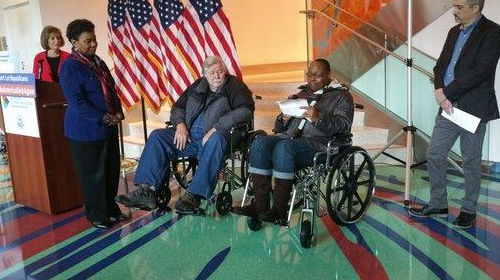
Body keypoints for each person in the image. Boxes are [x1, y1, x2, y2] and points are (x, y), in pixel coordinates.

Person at [409, 0, 500, 228]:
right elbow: (441, 65)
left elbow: (480, 71)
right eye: (454, 5)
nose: (454, 10)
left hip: (473, 107)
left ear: (475, 7)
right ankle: (438, 204)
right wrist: (440, 91)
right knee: (434, 153)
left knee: (471, 160)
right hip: (448, 105)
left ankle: (469, 210)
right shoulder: (454, 31)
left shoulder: (493, 32)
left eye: (459, 6)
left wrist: (446, 93)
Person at [116, 56, 254, 215]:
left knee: (215, 139)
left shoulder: (235, 86)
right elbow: (178, 108)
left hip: (218, 138)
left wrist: (216, 128)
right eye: (211, 73)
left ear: (225, 72)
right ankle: (148, 191)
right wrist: (180, 125)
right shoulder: (198, 86)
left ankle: (194, 196)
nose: (216, 76)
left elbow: (245, 110)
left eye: (220, 72)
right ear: (204, 74)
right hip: (190, 138)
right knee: (157, 136)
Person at [231, 59, 354, 224]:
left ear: (329, 75)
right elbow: (279, 128)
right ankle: (260, 205)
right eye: (310, 74)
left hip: (322, 143)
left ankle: (279, 210)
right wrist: (283, 118)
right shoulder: (302, 94)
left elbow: (343, 126)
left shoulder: (342, 96)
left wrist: (318, 118)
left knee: (284, 148)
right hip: (291, 137)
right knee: (260, 143)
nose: (311, 79)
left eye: (317, 75)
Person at [60, 19, 126, 229]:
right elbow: (77, 102)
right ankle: (97, 215)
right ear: (74, 42)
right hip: (86, 131)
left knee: (110, 171)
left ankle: (111, 209)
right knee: (93, 175)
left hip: (107, 128)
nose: (93, 44)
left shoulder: (97, 61)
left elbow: (110, 89)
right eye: (88, 41)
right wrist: (104, 117)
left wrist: (117, 112)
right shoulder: (70, 67)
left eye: (94, 40)